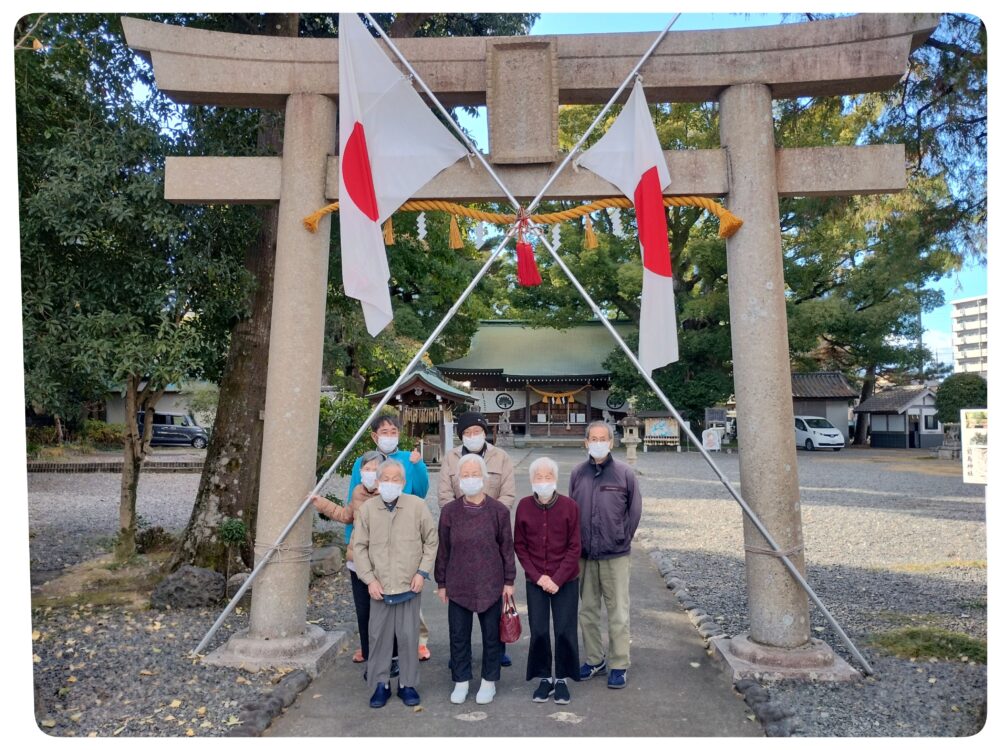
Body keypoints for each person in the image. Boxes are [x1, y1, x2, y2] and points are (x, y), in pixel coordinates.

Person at [346, 413, 433, 660]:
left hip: (403, 534)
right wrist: (350, 537)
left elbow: (422, 491)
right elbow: (353, 499)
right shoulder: (362, 461)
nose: (389, 436)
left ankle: (417, 641)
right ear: (374, 436)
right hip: (371, 534)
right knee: (372, 596)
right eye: (384, 432)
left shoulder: (408, 458)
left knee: (406, 595)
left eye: (393, 431)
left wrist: (418, 465)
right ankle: (371, 645)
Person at [352, 459, 438, 709]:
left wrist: (422, 573)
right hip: (379, 585)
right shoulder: (368, 509)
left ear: (403, 482)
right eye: (385, 479)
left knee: (409, 636)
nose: (390, 483)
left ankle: (407, 684)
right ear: (377, 483)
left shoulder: (417, 506)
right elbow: (359, 547)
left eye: (396, 479)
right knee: (378, 637)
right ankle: (381, 684)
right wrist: (368, 579)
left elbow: (431, 541)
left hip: (409, 585)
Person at [437, 410, 517, 667]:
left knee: (492, 596)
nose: (473, 436)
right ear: (461, 436)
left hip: (491, 530)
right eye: (468, 433)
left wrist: (489, 518)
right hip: (459, 528)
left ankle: (497, 650)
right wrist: (460, 518)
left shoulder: (500, 457)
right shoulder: (450, 459)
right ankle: (461, 656)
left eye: (477, 432)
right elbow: (444, 495)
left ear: (485, 432)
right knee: (460, 602)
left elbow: (508, 494)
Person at [435, 453, 515, 705]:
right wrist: (441, 582)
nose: (470, 479)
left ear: (484, 477)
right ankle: (461, 680)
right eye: (465, 475)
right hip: (458, 582)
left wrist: (509, 582)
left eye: (475, 474)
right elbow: (443, 549)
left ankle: (489, 681)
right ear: (458, 479)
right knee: (459, 635)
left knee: (492, 635)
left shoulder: (498, 511)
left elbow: (507, 549)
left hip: (491, 582)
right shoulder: (449, 512)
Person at [569, 420, 642, 689]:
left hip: (616, 554)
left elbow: (633, 512)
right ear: (586, 442)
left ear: (611, 442)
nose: (598, 442)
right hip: (585, 555)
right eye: (593, 438)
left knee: (618, 612)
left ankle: (619, 663)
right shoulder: (577, 474)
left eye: (603, 438)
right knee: (587, 610)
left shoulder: (624, 474)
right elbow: (572, 513)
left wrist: (622, 537)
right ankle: (594, 659)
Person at [310, 451, 398, 674]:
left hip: (384, 564)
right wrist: (322, 504)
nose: (369, 473)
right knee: (364, 612)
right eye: (366, 469)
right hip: (358, 562)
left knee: (389, 611)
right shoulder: (358, 492)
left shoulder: (391, 494)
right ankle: (371, 658)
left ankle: (394, 656)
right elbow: (346, 515)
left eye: (374, 469)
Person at [513, 456, 581, 704]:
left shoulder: (569, 506)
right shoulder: (523, 506)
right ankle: (544, 678)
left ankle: (562, 678)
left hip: (565, 579)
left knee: (564, 629)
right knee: (539, 629)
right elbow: (520, 546)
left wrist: (558, 578)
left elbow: (575, 547)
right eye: (538, 477)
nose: (543, 481)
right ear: (531, 480)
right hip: (536, 580)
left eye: (548, 477)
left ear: (555, 479)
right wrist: (537, 576)